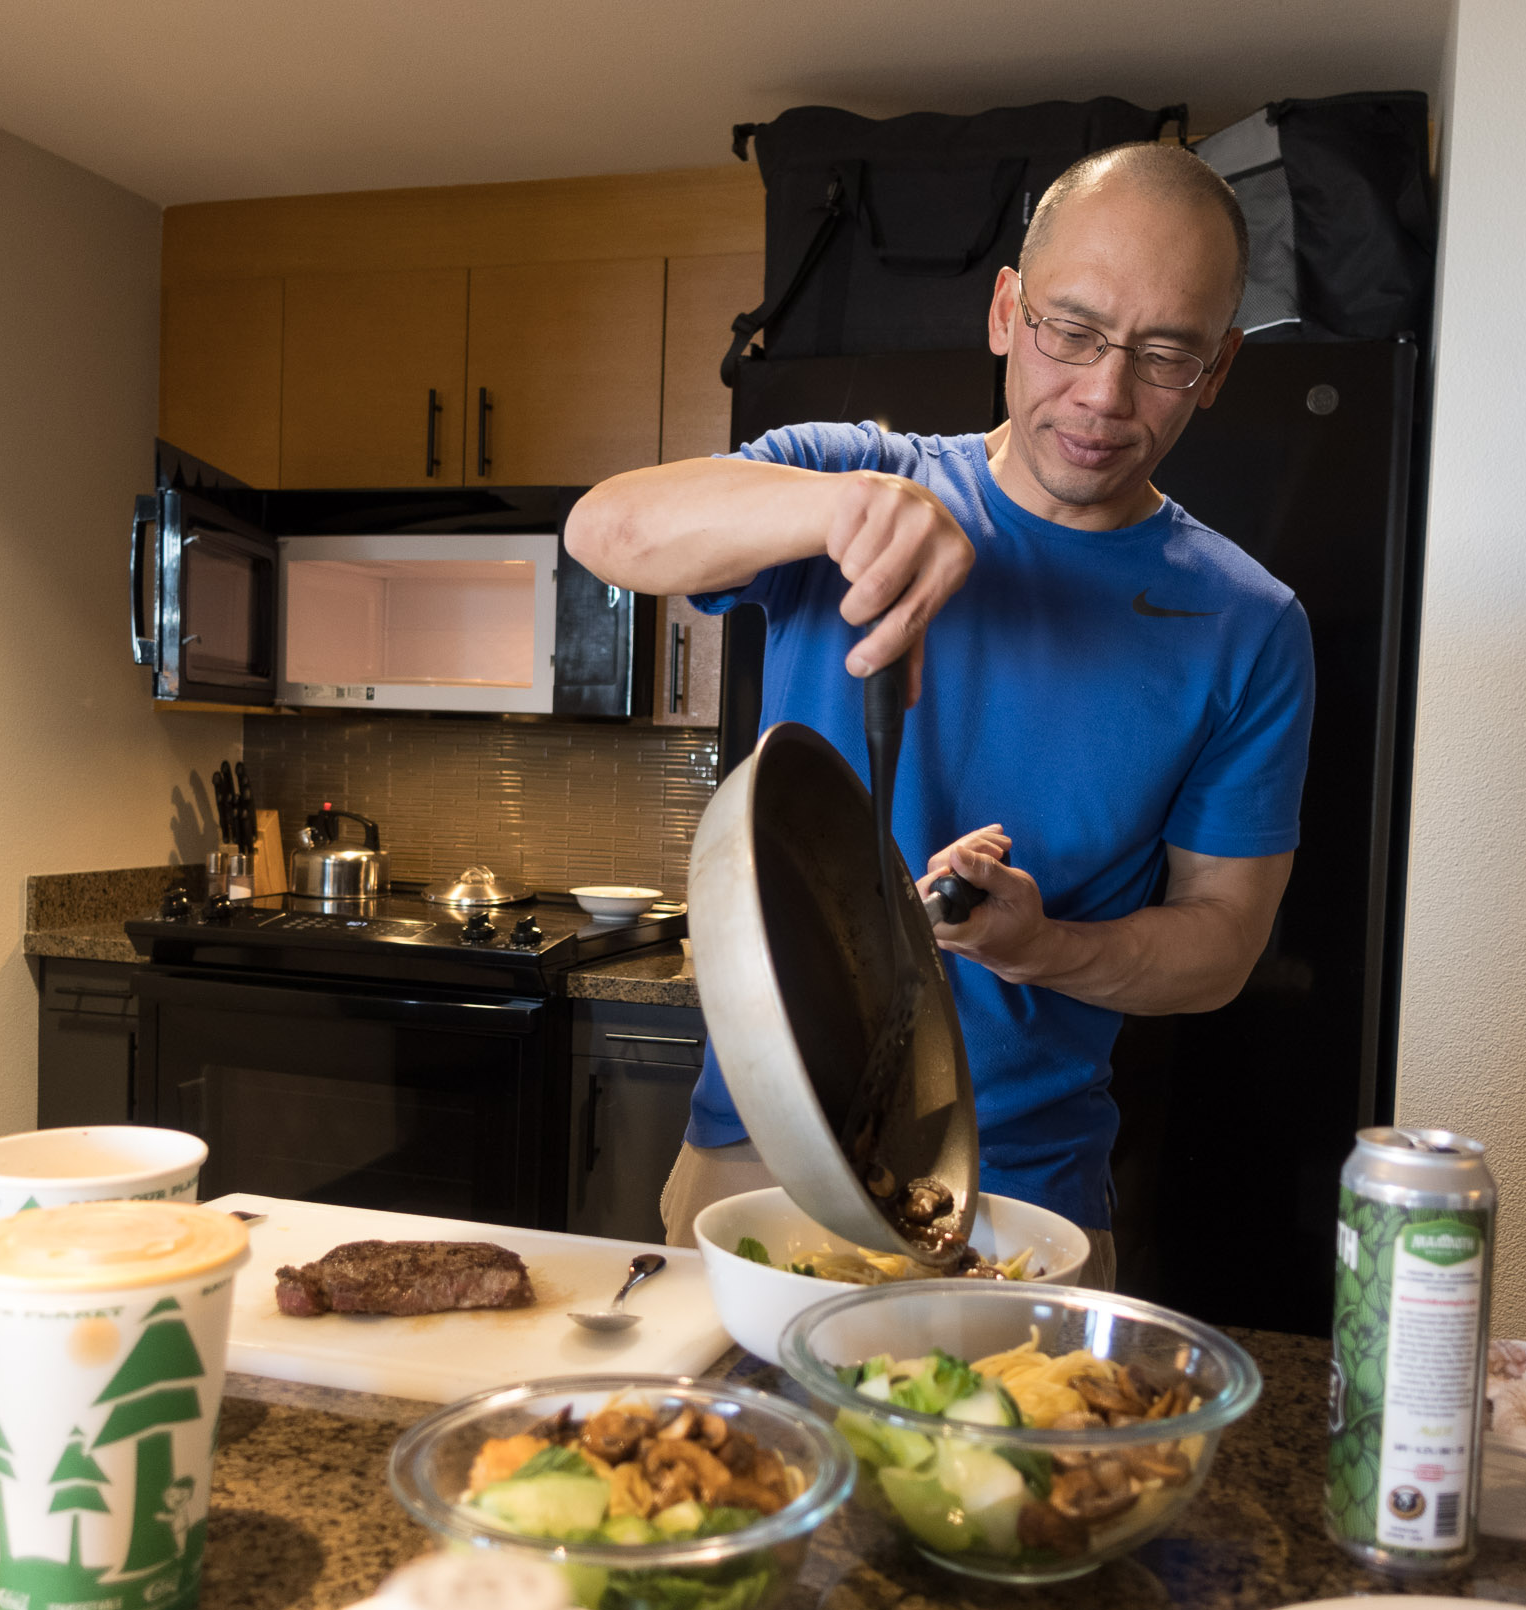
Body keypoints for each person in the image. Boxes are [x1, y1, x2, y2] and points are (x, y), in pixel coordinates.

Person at [564, 143, 1315, 1291]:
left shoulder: (1247, 623)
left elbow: (1217, 947)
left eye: (1165, 355)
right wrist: (838, 509)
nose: (1104, 397)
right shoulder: (849, 480)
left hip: (1023, 1208)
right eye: (1073, 329)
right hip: (755, 1164)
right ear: (1006, 310)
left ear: (1216, 371)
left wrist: (1042, 947)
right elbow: (604, 532)